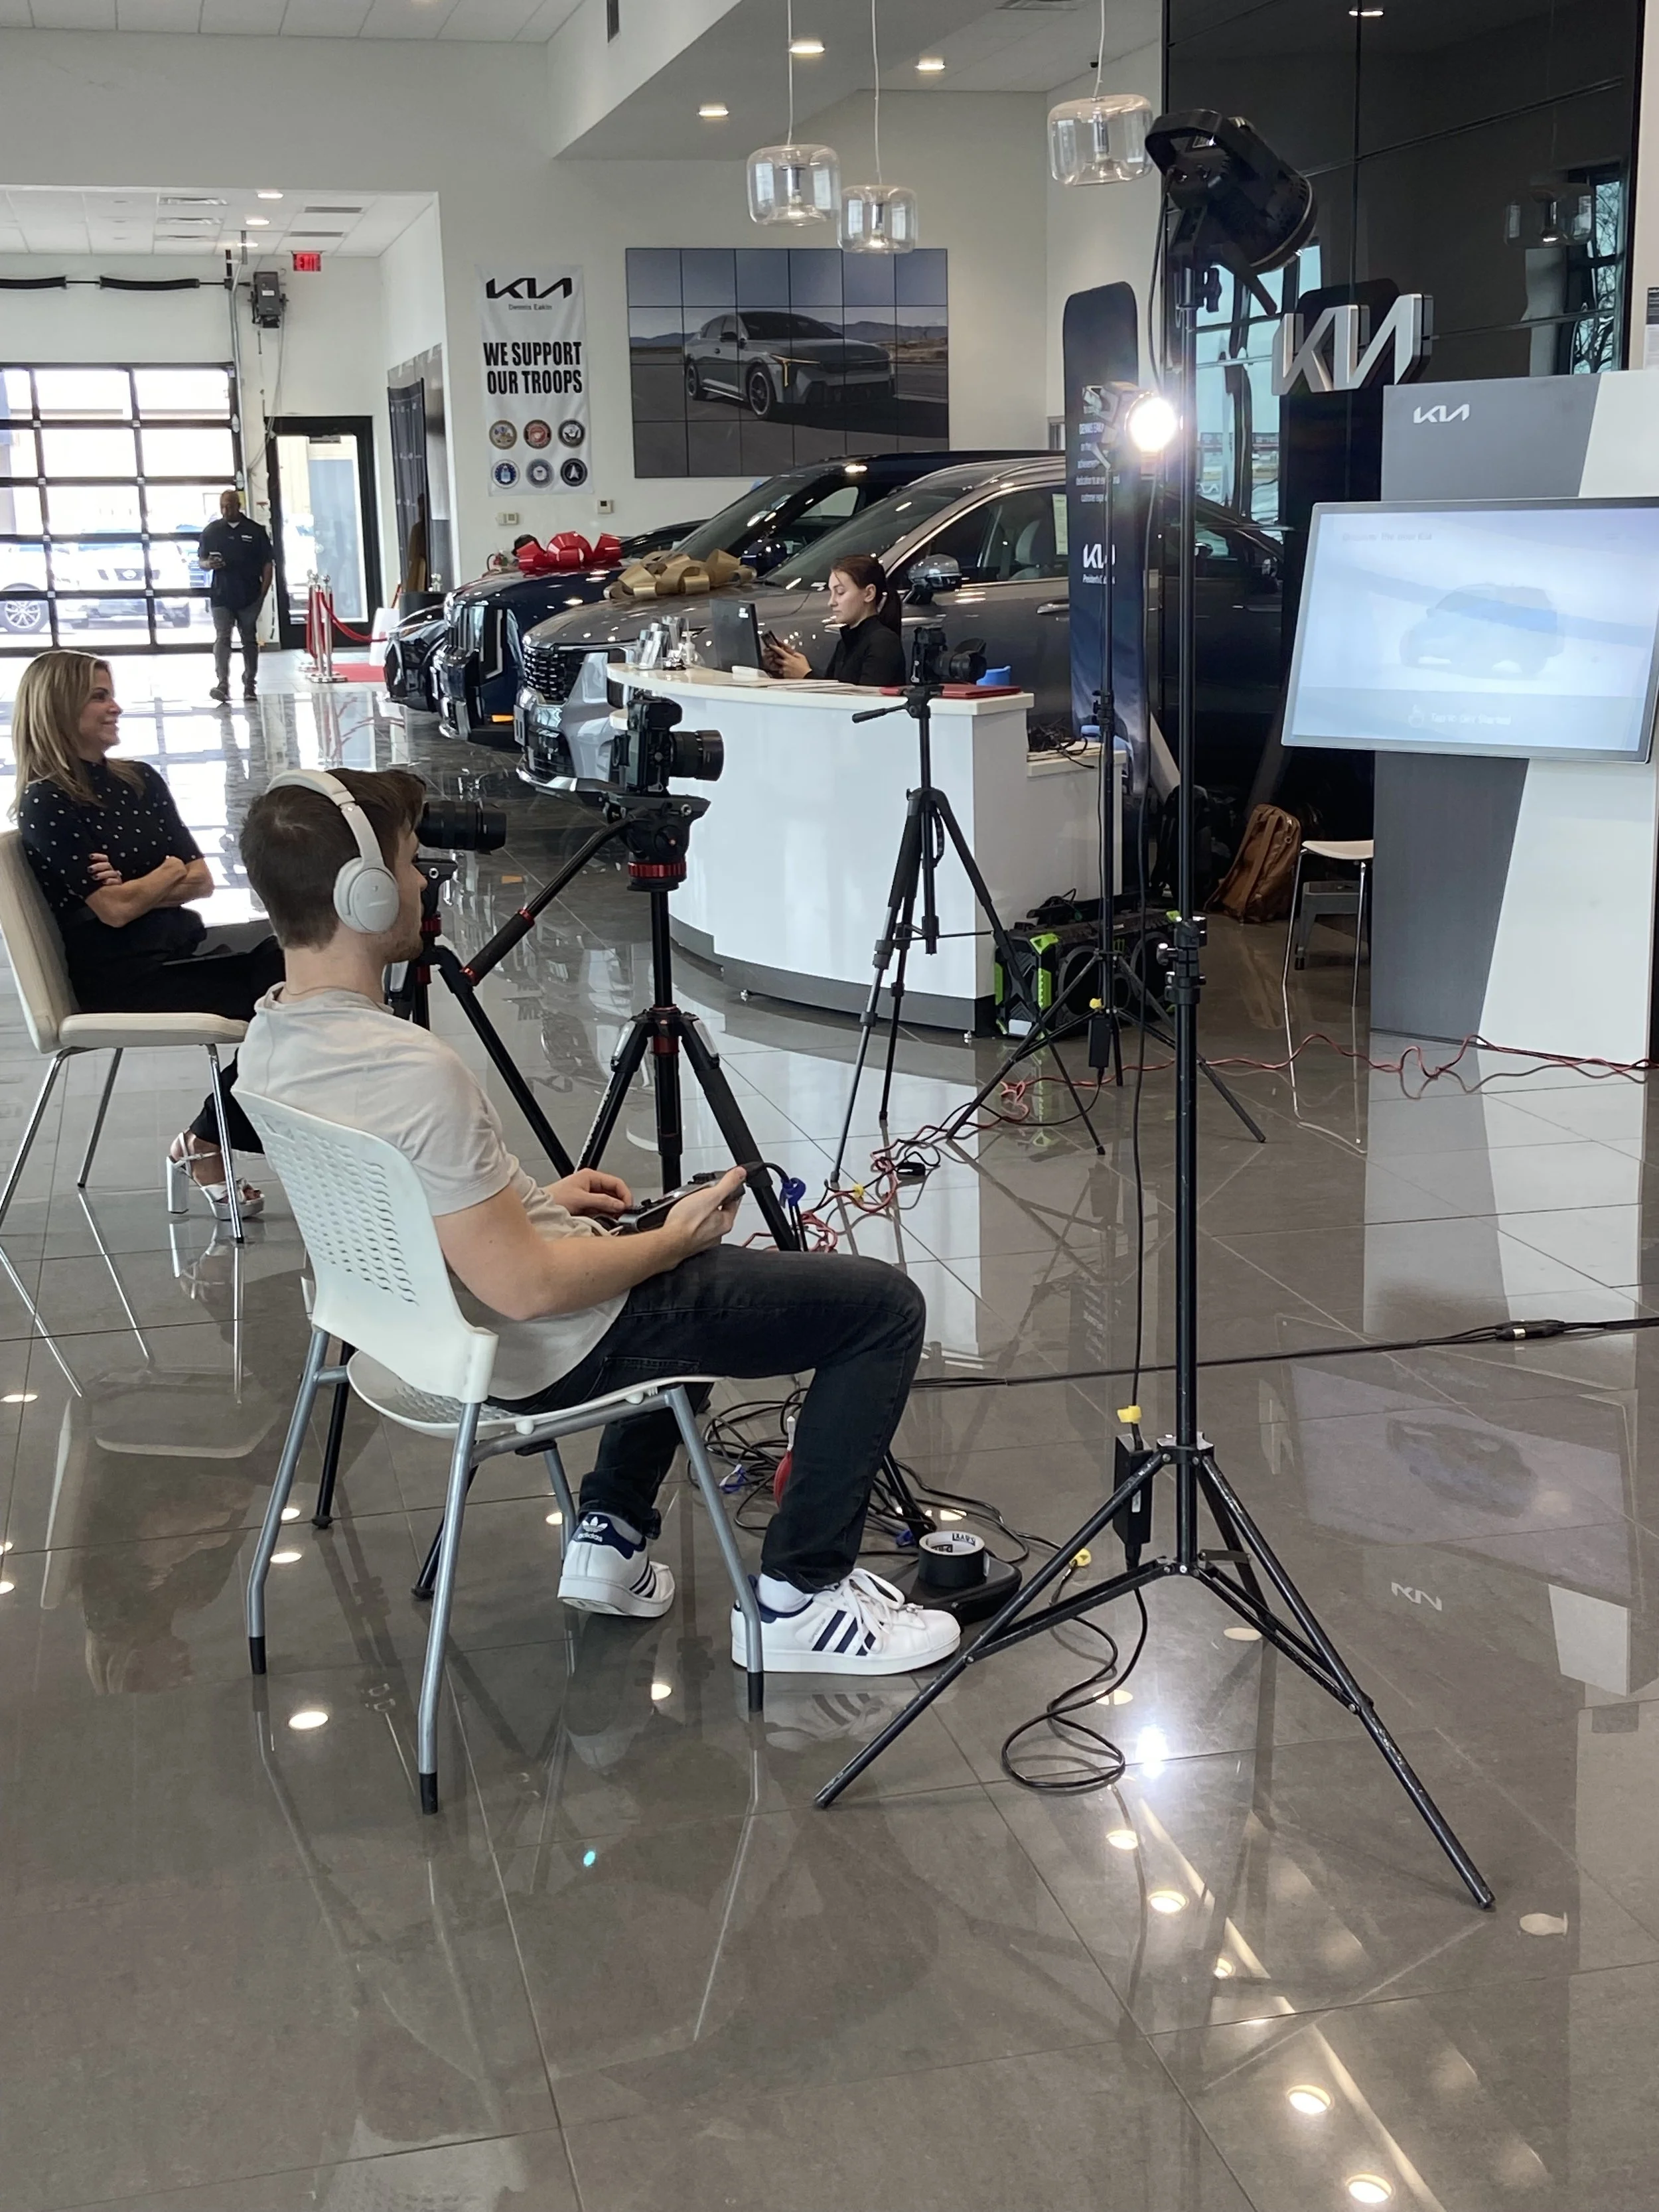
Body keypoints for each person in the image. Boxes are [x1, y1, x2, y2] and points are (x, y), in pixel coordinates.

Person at [236, 766, 959, 1678]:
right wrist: (677, 1240)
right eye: (413, 864)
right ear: (364, 891)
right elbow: (529, 1287)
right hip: (536, 1346)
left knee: (663, 1257)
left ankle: (609, 1539)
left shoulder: (269, 1039)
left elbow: (401, 1193)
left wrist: (533, 1199)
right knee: (878, 1307)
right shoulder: (414, 1067)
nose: (425, 885)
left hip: (404, 1337)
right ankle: (800, 1600)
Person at [11, 650, 280, 1218]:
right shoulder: (46, 802)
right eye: (98, 697)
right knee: (294, 990)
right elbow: (111, 911)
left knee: (304, 956)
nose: (116, 707)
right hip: (122, 976)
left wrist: (141, 886)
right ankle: (209, 1138)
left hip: (182, 945)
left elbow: (203, 878)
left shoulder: (139, 780)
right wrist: (163, 874)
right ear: (59, 709)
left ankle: (212, 1132)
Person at [762, 553, 909, 688]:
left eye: (840, 592)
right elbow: (835, 688)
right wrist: (787, 669)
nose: (831, 602)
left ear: (869, 593)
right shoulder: (846, 642)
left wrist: (806, 676)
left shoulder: (883, 642)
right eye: (832, 593)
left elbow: (864, 703)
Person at [196, 488, 274, 705]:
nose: (226, 510)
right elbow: (201, 561)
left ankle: (250, 684)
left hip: (249, 596)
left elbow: (268, 563)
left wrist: (263, 593)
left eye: (230, 505)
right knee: (222, 638)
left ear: (239, 505)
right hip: (222, 596)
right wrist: (209, 565)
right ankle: (222, 684)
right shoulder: (212, 531)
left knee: (249, 639)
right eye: (222, 506)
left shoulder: (256, 531)